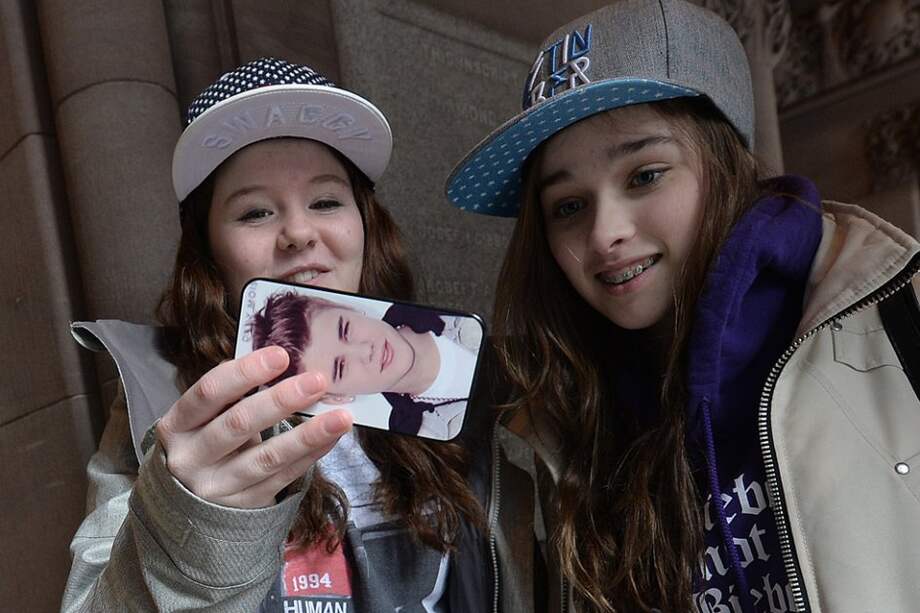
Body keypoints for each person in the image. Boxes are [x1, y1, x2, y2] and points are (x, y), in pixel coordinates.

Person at [446, 1, 920, 612]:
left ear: (727, 163)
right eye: (568, 205)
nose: (603, 234)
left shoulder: (897, 314)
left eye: (644, 175)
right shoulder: (556, 423)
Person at [63, 57, 490, 612]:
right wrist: (187, 531)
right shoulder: (158, 396)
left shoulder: (460, 384)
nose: (298, 233)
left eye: (326, 202)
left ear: (366, 225)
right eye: (256, 212)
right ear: (208, 251)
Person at [248, 289, 481, 439]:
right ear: (335, 398)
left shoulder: (452, 309)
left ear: (348, 308)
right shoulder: (420, 434)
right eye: (340, 368)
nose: (366, 350)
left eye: (345, 329)